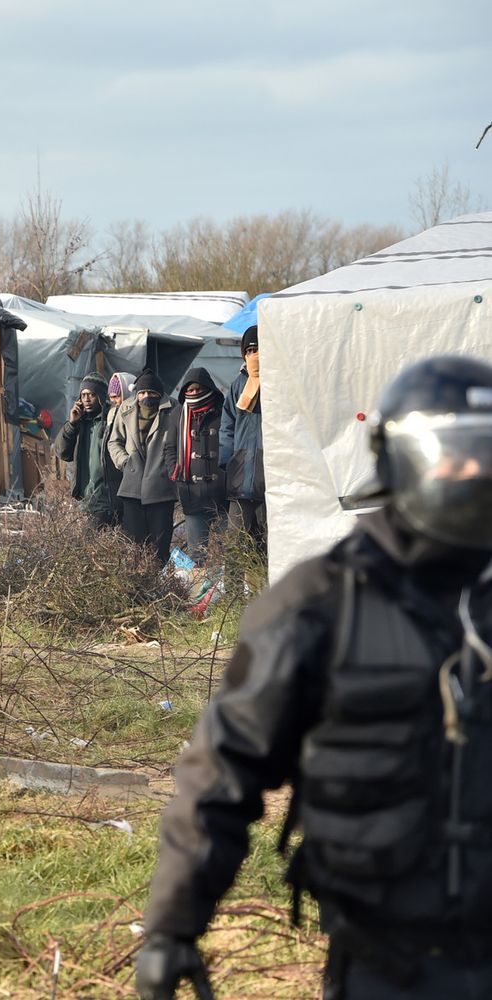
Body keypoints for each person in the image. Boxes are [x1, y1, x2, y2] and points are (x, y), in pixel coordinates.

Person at [137, 355, 492, 1000]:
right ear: (397, 461)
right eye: (449, 453)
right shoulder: (319, 604)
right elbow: (222, 771)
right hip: (384, 959)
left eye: (484, 454)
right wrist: (171, 927)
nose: (468, 473)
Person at [108, 368, 177, 564]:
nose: (146, 397)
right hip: (132, 489)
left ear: (159, 394)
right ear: (136, 393)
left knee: (159, 552)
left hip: (161, 491)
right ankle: (136, 592)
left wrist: (171, 468)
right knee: (133, 551)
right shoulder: (126, 409)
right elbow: (114, 442)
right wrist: (124, 461)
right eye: (142, 393)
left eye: (151, 393)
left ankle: (157, 591)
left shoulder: (173, 409)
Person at [168, 368, 226, 562]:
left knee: (227, 553)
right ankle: (200, 592)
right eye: (189, 390)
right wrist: (175, 474)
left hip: (223, 495)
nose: (193, 393)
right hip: (192, 495)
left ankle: (227, 592)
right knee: (197, 555)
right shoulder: (177, 415)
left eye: (198, 389)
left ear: (208, 388)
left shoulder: (222, 410)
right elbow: (169, 448)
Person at [219, 326, 266, 554]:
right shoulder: (238, 385)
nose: (254, 355)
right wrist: (227, 461)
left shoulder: (279, 382)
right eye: (249, 350)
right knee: (235, 546)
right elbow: (226, 426)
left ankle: (268, 589)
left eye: (258, 349)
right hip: (241, 477)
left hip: (270, 479)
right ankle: (233, 591)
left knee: (268, 545)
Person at [54, 373, 114, 526]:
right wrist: (71, 424)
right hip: (85, 501)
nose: (86, 399)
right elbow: (62, 452)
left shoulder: (110, 420)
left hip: (106, 500)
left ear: (101, 396)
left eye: (92, 394)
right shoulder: (79, 422)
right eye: (83, 395)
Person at [104, 372, 136, 519]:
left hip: (131, 474)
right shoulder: (111, 414)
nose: (115, 401)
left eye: (117, 395)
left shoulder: (136, 413)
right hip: (116, 472)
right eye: (112, 397)